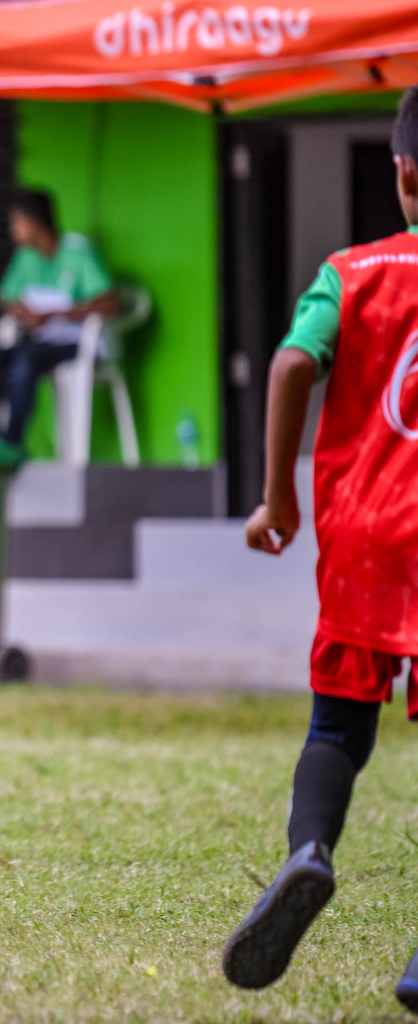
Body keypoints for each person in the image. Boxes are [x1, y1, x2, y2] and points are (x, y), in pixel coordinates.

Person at [221, 88, 418, 1011]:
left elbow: (295, 363)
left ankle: (310, 851)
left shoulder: (355, 270)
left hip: (368, 536)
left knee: (338, 724)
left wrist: (276, 496)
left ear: (404, 173)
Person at [0, 189, 116, 447]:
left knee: (26, 360)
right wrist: (20, 311)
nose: (12, 230)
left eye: (16, 223)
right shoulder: (25, 256)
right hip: (44, 341)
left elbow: (109, 303)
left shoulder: (78, 252)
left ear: (34, 221)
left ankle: (12, 442)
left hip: (79, 341)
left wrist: (55, 314)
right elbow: (9, 297)